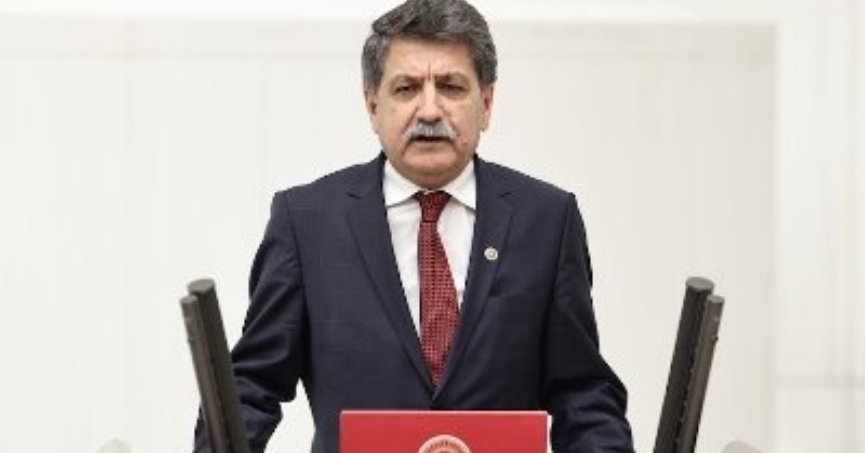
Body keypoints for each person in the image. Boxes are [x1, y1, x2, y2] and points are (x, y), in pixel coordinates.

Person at [194, 0, 635, 451]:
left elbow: (581, 392)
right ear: (373, 106)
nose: (429, 111)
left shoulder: (546, 220)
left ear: (486, 104)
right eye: (406, 89)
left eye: (451, 87)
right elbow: (252, 387)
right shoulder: (308, 222)